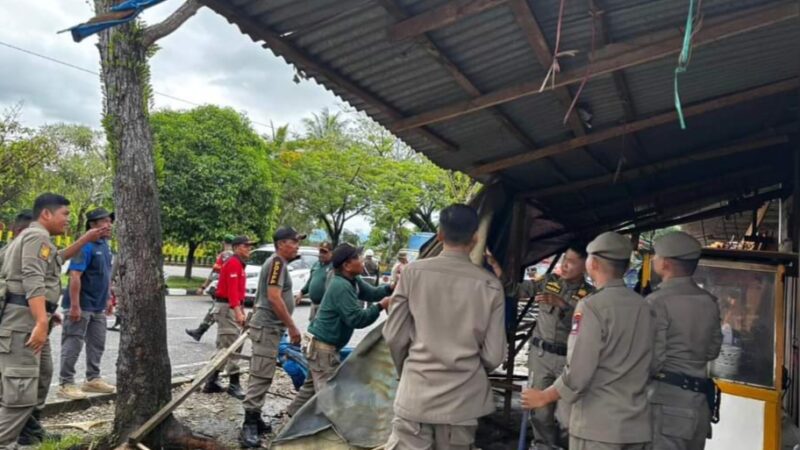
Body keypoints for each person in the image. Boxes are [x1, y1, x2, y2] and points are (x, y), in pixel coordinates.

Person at [383, 204, 506, 450]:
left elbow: (394, 336)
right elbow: (494, 355)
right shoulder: (491, 285)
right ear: (475, 237)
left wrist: (407, 370)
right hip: (462, 402)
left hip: (416, 394)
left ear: (439, 234)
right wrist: (466, 370)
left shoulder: (412, 273)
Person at [521, 232, 655, 450]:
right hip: (634, 424)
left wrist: (544, 397)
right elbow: (655, 361)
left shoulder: (592, 305)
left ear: (592, 263)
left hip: (597, 424)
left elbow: (578, 373)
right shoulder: (644, 306)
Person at [0, 193, 107, 447]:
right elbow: (32, 279)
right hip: (24, 326)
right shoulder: (36, 237)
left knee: (39, 378)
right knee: (20, 393)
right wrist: (40, 321)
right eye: (65, 214)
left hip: (31, 321)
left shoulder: (38, 239)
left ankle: (28, 432)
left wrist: (85, 239)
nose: (68, 219)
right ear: (46, 214)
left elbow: (56, 259)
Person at [487, 241, 594, 450]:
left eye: (572, 262)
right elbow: (514, 290)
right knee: (540, 413)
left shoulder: (590, 296)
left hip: (569, 362)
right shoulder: (548, 281)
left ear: (586, 265)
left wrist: (564, 307)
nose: (565, 265)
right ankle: (544, 446)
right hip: (541, 357)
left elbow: (588, 328)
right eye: (564, 259)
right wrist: (495, 265)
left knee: (568, 416)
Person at [285, 243, 392, 417]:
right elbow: (357, 319)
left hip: (320, 346)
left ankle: (291, 415)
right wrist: (380, 306)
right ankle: (329, 428)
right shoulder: (340, 286)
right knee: (330, 398)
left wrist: (390, 288)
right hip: (323, 349)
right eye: (358, 257)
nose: (362, 260)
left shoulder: (352, 280)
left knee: (309, 390)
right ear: (347, 265)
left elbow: (372, 293)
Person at [647, 232, 722, 450]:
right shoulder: (709, 301)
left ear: (666, 264)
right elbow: (712, 351)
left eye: (656, 256)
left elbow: (652, 359)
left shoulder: (657, 302)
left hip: (666, 406)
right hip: (699, 405)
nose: (653, 260)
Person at [240, 227, 306, 448]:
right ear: (281, 244)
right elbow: (274, 298)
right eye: (293, 242)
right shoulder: (277, 263)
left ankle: (255, 417)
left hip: (271, 329)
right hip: (267, 328)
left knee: (265, 373)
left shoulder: (279, 263)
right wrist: (292, 327)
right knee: (260, 375)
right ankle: (248, 425)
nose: (297, 246)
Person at [58, 208, 116, 400]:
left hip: (98, 306)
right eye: (104, 221)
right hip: (81, 306)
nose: (109, 225)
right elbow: (75, 276)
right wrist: (75, 306)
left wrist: (108, 298)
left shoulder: (106, 246)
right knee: (73, 343)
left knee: (97, 343)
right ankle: (66, 383)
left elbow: (106, 275)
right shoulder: (85, 246)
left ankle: (92, 379)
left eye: (110, 221)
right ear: (92, 225)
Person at [203, 235, 255, 400]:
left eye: (250, 246)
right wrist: (238, 311)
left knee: (226, 347)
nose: (249, 249)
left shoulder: (238, 264)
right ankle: (233, 384)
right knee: (231, 347)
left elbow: (238, 292)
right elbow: (232, 290)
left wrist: (240, 309)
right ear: (237, 247)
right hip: (227, 308)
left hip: (230, 307)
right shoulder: (233, 263)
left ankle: (211, 381)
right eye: (246, 246)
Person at [185, 234, 236, 341]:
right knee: (215, 310)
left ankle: (224, 337)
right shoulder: (236, 256)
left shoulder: (223, 255)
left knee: (218, 311)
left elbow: (214, 273)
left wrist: (203, 287)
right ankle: (199, 331)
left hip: (222, 289)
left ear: (223, 242)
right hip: (232, 289)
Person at [294, 242, 333, 321]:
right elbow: (310, 281)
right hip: (314, 304)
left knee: (321, 326)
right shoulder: (316, 265)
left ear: (331, 253)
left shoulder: (333, 267)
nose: (321, 254)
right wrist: (302, 292)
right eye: (320, 252)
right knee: (312, 325)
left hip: (325, 306)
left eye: (325, 252)